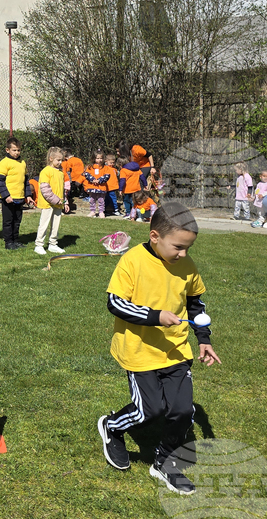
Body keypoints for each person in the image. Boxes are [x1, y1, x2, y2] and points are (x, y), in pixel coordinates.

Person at [97, 203, 220, 495]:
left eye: (188, 248)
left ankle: (165, 462)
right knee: (148, 411)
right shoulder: (133, 261)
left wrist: (203, 339)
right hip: (139, 350)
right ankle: (112, 427)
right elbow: (115, 303)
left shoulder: (186, 265)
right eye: (178, 247)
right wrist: (155, 316)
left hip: (176, 350)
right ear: (155, 236)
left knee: (182, 411)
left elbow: (196, 304)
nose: (184, 254)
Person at [0, 137, 28, 250]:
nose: (17, 152)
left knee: (17, 221)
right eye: (14, 150)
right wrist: (6, 196)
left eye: (18, 150)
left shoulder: (22, 163)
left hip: (20, 197)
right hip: (9, 198)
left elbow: (26, 180)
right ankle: (9, 242)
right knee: (8, 221)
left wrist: (28, 195)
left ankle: (16, 240)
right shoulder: (4, 163)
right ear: (7, 150)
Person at [34, 147, 68, 256]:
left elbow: (62, 190)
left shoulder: (61, 173)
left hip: (58, 205)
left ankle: (53, 244)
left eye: (61, 160)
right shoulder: (45, 171)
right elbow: (45, 189)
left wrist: (64, 202)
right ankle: (39, 245)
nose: (60, 162)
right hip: (47, 204)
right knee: (44, 224)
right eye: (58, 160)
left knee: (55, 225)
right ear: (50, 158)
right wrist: (56, 200)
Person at [83, 151, 109, 218]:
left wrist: (99, 180)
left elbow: (107, 175)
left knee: (101, 200)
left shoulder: (105, 167)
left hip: (101, 187)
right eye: (97, 158)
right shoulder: (90, 167)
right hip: (92, 186)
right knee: (92, 199)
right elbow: (87, 174)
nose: (99, 160)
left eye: (101, 158)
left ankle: (101, 212)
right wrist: (92, 180)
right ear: (94, 158)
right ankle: (92, 211)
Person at [62, 149, 85, 214]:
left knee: (71, 189)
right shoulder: (79, 159)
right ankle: (82, 194)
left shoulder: (69, 161)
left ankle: (71, 196)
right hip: (80, 176)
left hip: (73, 177)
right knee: (81, 187)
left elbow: (69, 170)